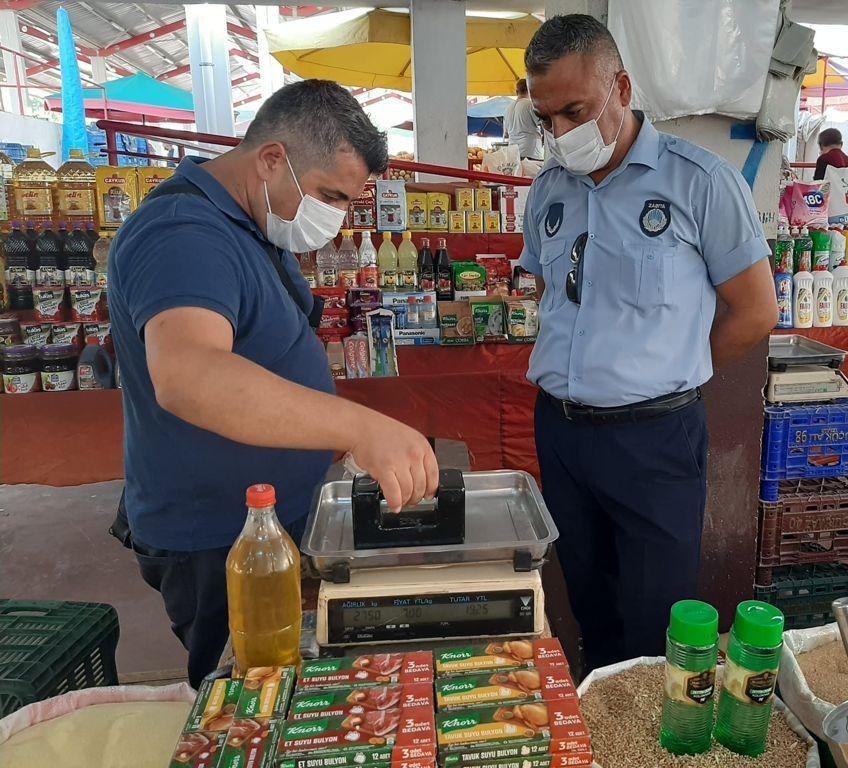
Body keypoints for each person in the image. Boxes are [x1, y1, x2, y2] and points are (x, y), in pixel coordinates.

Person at [107, 80, 439, 687]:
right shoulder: (184, 235)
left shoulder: (250, 221)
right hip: (219, 538)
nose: (335, 219)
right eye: (329, 196)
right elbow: (189, 376)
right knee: (249, 698)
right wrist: (359, 428)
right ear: (270, 160)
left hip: (270, 520)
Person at [519, 15, 778, 673]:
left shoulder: (700, 182)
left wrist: (676, 368)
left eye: (575, 111)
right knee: (588, 601)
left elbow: (755, 311)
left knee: (654, 617)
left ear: (622, 88)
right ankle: (599, 711)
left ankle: (651, 723)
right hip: (563, 433)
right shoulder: (549, 188)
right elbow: (551, 294)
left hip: (654, 439)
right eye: (547, 119)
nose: (561, 133)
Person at [504, 78, 544, 160]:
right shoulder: (531, 105)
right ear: (530, 90)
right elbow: (543, 124)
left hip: (513, 151)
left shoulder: (507, 109)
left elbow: (506, 134)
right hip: (530, 150)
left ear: (516, 91)